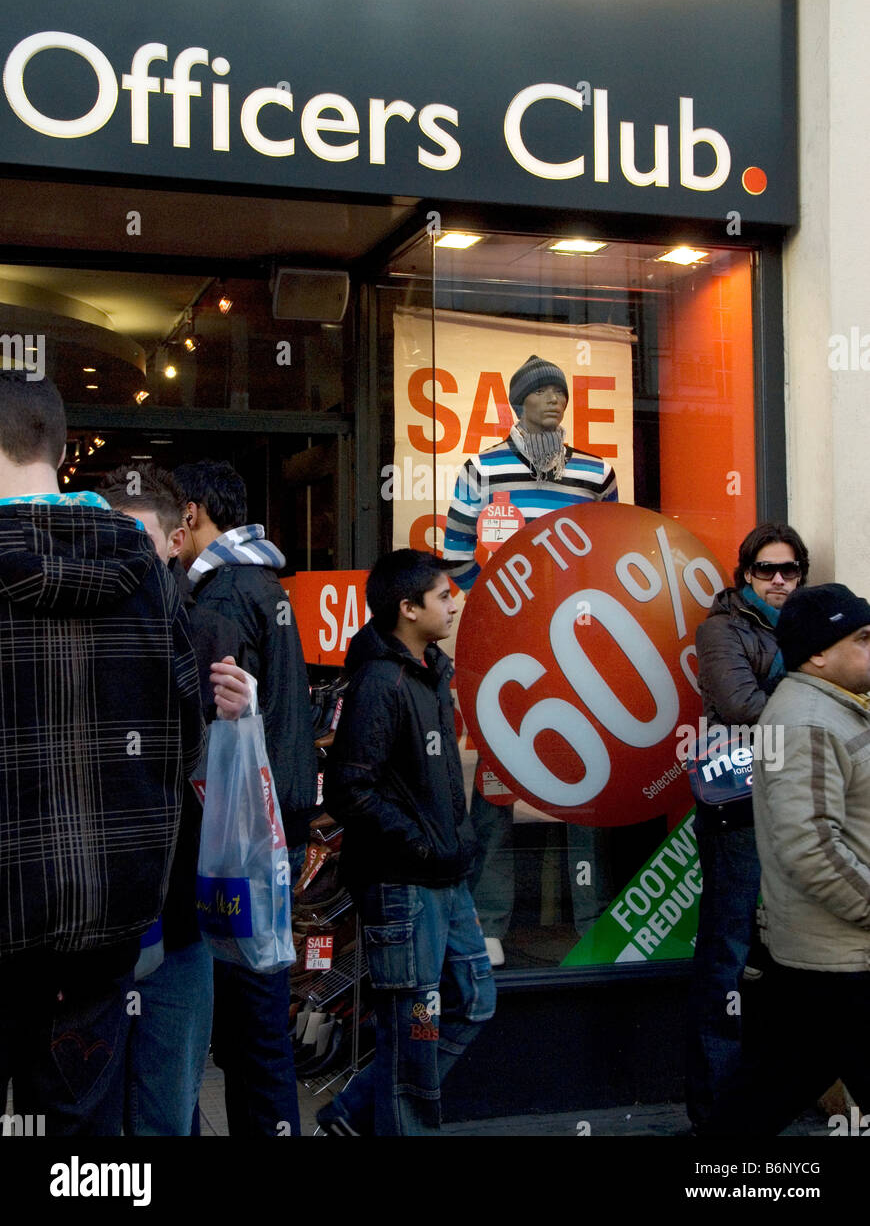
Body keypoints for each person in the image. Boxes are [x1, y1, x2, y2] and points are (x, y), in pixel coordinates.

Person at [0, 372, 203, 1135]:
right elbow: (186, 739)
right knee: (85, 1145)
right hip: (101, 935)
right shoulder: (148, 575)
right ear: (55, 449)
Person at [442, 354, 618, 964]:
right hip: (507, 648)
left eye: (560, 394)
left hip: (579, 648)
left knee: (585, 777)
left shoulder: (595, 472)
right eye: (541, 393)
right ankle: (488, 919)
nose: (554, 402)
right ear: (517, 402)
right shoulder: (482, 471)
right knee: (498, 777)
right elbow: (458, 558)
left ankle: (591, 916)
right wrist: (506, 605)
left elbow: (610, 553)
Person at [320, 550, 496, 1136]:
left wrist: (455, 843)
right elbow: (350, 789)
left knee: (473, 1002)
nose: (454, 603)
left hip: (444, 882)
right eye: (444, 595)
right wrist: (423, 845)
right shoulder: (381, 680)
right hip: (405, 890)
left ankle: (351, 1113)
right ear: (408, 608)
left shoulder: (428, 672)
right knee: (414, 1032)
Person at [101, 464, 253, 1136]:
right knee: (97, 1115)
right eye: (114, 536)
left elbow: (231, 792)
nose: (128, 553)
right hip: (89, 928)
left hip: (179, 921)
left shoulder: (207, 633)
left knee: (164, 1109)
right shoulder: (70, 638)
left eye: (140, 537)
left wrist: (238, 728)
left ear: (175, 539)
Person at [173, 459, 316, 1137]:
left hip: (243, 833)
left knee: (249, 1019)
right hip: (279, 820)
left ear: (193, 513)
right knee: (260, 1013)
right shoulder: (265, 582)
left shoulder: (223, 595)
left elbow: (214, 726)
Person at [702, 584, 870, 1134]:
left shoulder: (836, 708)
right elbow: (812, 848)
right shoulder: (808, 723)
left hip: (832, 961)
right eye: (864, 639)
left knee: (766, 1093)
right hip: (840, 962)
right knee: (766, 1094)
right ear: (820, 652)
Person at [686, 521, 808, 1133]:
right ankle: (716, 1112)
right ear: (746, 575)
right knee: (729, 949)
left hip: (799, 799)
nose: (780, 581)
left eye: (790, 570)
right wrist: (814, 708)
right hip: (740, 804)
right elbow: (739, 706)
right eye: (768, 570)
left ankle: (770, 1100)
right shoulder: (722, 628)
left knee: (790, 953)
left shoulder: (811, 623)